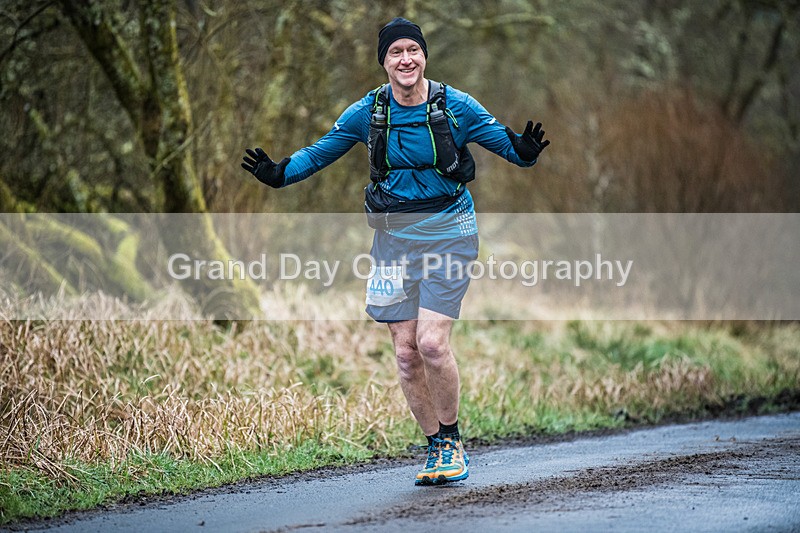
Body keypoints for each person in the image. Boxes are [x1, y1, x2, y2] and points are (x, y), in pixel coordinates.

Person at [242, 17, 549, 486]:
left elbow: (508, 146)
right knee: (406, 354)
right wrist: (280, 174)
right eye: (395, 52)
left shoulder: (456, 106)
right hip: (391, 243)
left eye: (413, 50)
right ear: (384, 62)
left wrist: (525, 150)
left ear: (424, 56)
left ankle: (452, 440)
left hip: (450, 234)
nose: (406, 59)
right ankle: (435, 446)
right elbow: (320, 152)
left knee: (431, 343)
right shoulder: (367, 112)